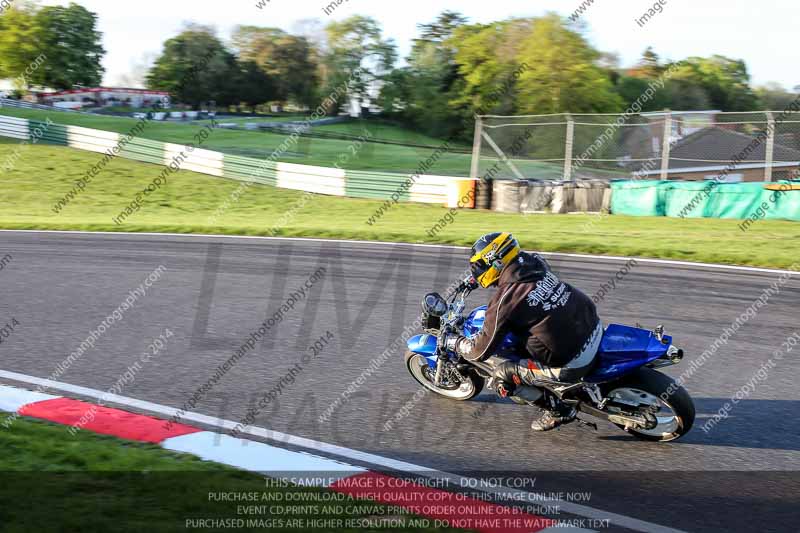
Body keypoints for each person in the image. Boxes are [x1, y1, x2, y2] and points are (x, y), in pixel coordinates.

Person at [446, 232, 602, 431]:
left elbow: (479, 351)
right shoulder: (535, 262)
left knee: (501, 377)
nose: (478, 271)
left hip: (571, 358)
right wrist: (476, 279)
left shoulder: (505, 300)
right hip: (591, 324)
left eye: (480, 266)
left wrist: (456, 343)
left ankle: (558, 410)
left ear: (495, 262)